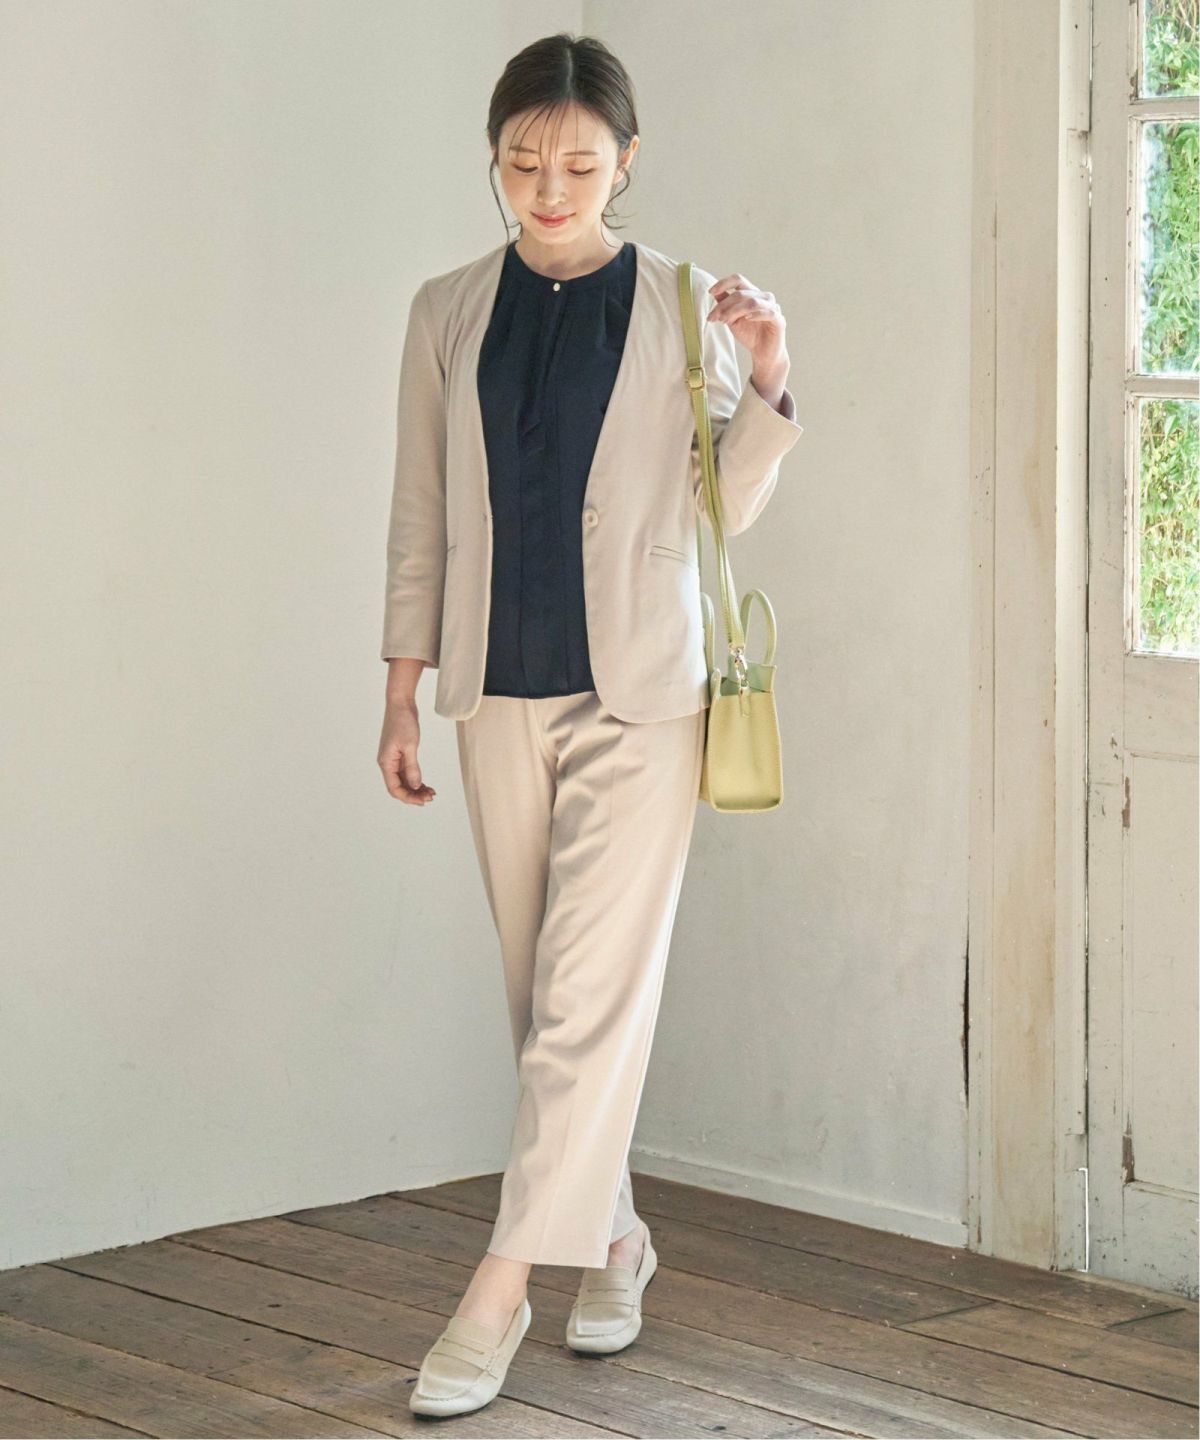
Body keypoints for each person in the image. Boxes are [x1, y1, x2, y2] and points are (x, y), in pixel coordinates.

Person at [376, 31, 803, 1419]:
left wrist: (769, 375)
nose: (548, 188)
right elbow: (423, 509)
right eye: (523, 163)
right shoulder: (447, 309)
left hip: (644, 699)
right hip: (492, 689)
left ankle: (499, 1290)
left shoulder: (681, 300)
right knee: (539, 1001)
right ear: (494, 160)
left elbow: (727, 506)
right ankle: (613, 1240)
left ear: (626, 162)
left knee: (584, 1006)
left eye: (577, 163)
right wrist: (401, 685)